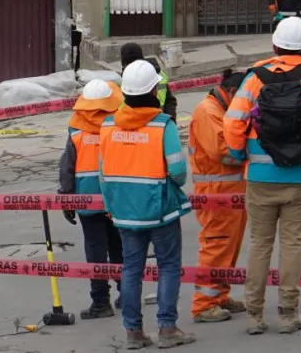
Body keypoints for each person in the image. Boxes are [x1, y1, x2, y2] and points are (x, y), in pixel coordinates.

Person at [224, 16, 301, 335]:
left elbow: (232, 122)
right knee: (292, 244)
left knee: (259, 243)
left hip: (261, 176)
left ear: (274, 45)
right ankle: (289, 314)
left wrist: (238, 153)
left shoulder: (255, 79)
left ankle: (254, 315)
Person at [100, 60, 194, 349]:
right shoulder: (163, 125)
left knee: (131, 269)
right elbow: (178, 172)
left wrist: (112, 205)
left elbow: (104, 174)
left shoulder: (107, 126)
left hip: (124, 212)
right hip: (160, 210)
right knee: (168, 266)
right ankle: (167, 328)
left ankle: (133, 333)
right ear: (154, 91)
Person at [58, 79, 125, 319]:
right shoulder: (120, 123)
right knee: (119, 246)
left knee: (95, 249)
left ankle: (100, 302)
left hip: (87, 198)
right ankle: (127, 294)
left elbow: (67, 167)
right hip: (116, 197)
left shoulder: (76, 129)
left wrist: (66, 199)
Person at [188, 68, 248, 324]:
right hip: (217, 195)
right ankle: (204, 304)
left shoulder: (219, 110)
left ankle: (220, 295)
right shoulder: (208, 111)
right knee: (216, 246)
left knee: (228, 247)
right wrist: (253, 148)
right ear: (232, 92)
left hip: (230, 192)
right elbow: (224, 152)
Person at [120, 42, 176, 119]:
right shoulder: (159, 75)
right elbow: (170, 102)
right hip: (159, 121)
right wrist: (170, 120)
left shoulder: (121, 81)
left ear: (123, 62)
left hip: (131, 122)